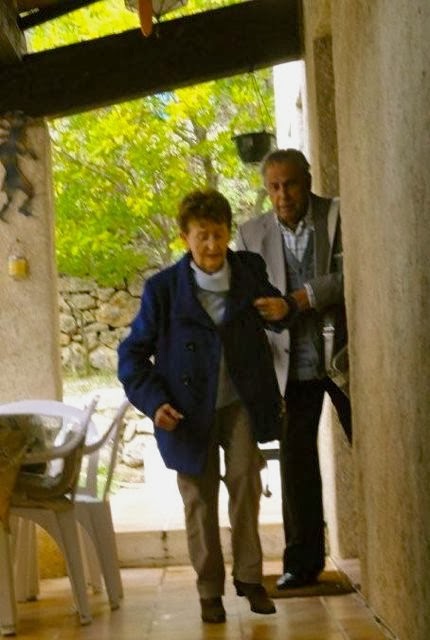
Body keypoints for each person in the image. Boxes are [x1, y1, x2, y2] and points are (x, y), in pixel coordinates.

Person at [118, 188, 295, 623]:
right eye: (203, 236)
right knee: (199, 499)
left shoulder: (248, 270)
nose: (213, 246)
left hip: (240, 402)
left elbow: (279, 313)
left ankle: (250, 578)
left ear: (228, 232)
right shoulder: (162, 290)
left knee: (246, 482)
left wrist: (282, 308)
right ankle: (209, 590)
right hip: (186, 411)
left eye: (219, 234)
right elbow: (132, 356)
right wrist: (155, 403)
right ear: (185, 238)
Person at [236, 148, 351, 590]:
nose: (283, 195)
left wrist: (299, 300)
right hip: (290, 368)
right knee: (296, 463)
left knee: (378, 446)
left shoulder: (338, 215)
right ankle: (302, 565)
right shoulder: (250, 234)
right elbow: (246, 297)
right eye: (274, 187)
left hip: (344, 360)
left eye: (291, 185)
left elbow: (353, 276)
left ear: (308, 180)